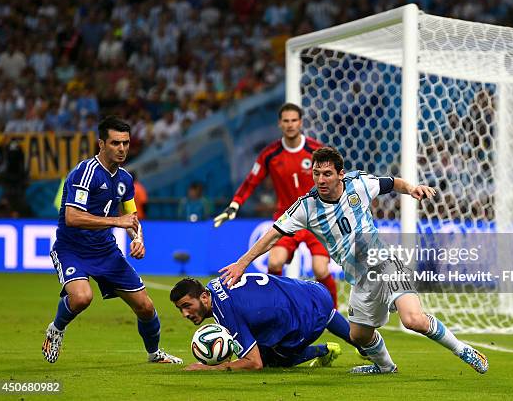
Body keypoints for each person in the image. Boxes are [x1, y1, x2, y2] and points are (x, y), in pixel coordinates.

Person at [220, 147, 489, 375]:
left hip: (384, 263)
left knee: (413, 319)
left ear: (340, 173)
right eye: (316, 174)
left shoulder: (359, 183)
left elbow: (391, 182)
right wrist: (242, 263)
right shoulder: (305, 207)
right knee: (358, 336)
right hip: (360, 279)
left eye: (327, 174)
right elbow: (272, 235)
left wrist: (411, 188)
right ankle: (385, 368)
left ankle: (462, 349)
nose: (321, 180)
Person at [42, 116, 182, 365]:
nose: (122, 149)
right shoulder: (86, 173)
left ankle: (154, 354)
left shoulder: (126, 179)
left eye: (126, 143)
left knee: (146, 307)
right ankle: (56, 328)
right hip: (72, 249)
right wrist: (117, 222)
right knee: (82, 297)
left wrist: (138, 238)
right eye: (116, 143)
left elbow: (131, 217)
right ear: (101, 144)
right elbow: (72, 217)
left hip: (105, 251)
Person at [213, 103, 338, 306]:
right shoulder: (270, 154)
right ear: (280, 123)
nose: (290, 125)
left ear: (301, 123)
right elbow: (251, 181)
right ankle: (278, 307)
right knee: (275, 262)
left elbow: (334, 179)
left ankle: (332, 312)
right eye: (286, 121)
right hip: (287, 217)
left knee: (321, 269)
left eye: (294, 120)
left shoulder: (316, 151)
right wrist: (235, 205)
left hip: (317, 218)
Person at [170, 274, 360, 371]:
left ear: (204, 297)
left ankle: (324, 350)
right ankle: (369, 347)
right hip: (314, 291)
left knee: (272, 360)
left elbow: (254, 363)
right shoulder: (214, 284)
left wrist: (209, 367)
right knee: (362, 340)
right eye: (180, 309)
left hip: (306, 316)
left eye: (187, 305)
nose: (185, 313)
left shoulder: (227, 313)